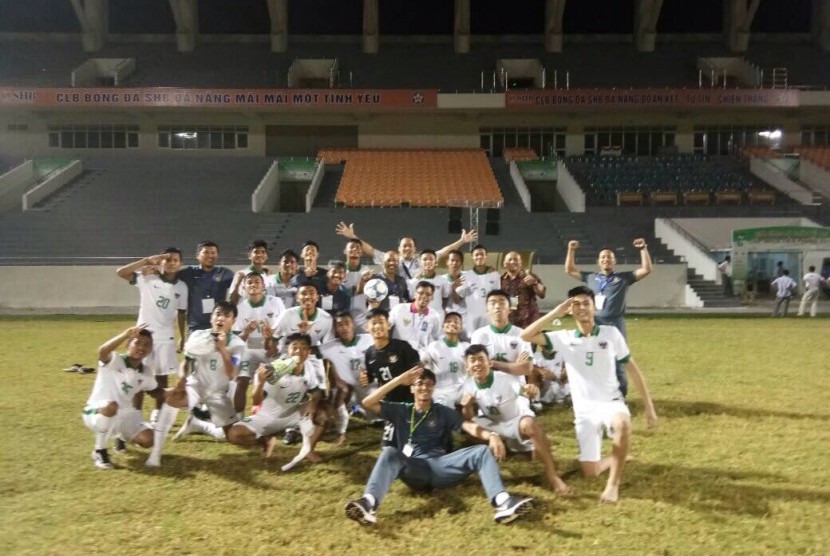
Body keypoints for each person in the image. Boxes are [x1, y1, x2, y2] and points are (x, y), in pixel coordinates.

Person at [344, 367, 534, 526]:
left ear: (433, 388)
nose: (424, 388)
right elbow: (368, 402)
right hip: (415, 469)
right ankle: (368, 503)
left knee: (481, 452)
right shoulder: (401, 410)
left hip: (442, 466)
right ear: (412, 388)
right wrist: (398, 380)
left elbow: (468, 426)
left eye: (428, 384)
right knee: (389, 452)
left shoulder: (442, 411)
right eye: (419, 384)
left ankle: (503, 503)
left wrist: (491, 435)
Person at [520, 286, 657, 503]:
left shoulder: (610, 334)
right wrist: (555, 313)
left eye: (586, 303)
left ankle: (613, 485)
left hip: (610, 402)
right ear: (570, 309)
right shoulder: (563, 338)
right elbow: (525, 334)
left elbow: (632, 368)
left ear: (594, 307)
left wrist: (649, 407)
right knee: (590, 471)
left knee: (622, 423)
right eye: (576, 304)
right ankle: (616, 457)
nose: (582, 307)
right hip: (584, 411)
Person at [460, 344, 570, 494]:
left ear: (489, 362)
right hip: (494, 424)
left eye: (481, 359)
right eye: (473, 360)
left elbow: (525, 391)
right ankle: (502, 449)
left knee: (529, 424)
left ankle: (553, 475)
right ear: (467, 366)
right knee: (467, 427)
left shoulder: (505, 379)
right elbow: (469, 418)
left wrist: (531, 390)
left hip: (514, 421)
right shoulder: (468, 385)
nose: (477, 363)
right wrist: (466, 407)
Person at [148, 302, 246, 465]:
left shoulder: (237, 344)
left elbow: (231, 374)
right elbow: (185, 363)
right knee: (174, 399)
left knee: (229, 436)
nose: (221, 318)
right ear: (211, 317)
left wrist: (222, 349)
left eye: (227, 315)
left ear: (233, 321)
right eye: (218, 314)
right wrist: (180, 378)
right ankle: (155, 453)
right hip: (196, 386)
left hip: (217, 393)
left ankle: (198, 424)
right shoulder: (197, 336)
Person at [564, 238, 652, 396]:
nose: (606, 259)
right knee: (592, 358)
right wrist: (571, 250)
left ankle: (621, 396)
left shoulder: (623, 278)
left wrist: (643, 249)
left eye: (609, 257)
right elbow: (569, 270)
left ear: (614, 261)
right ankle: (593, 394)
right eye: (603, 257)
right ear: (598, 261)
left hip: (615, 324)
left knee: (618, 359)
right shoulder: (591, 277)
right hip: (593, 324)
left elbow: (646, 269)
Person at [226, 333, 327, 464]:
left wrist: (312, 403)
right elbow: (256, 401)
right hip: (267, 416)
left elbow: (317, 393)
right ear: (287, 350)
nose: (298, 351)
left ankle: (308, 450)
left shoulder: (308, 367)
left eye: (303, 348)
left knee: (324, 411)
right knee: (233, 435)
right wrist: (260, 382)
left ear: (308, 351)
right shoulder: (275, 369)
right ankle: (265, 441)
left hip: (292, 414)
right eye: (294, 347)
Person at [115, 248, 187, 421]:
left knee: (161, 378)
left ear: (180, 264)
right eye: (167, 259)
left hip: (165, 337)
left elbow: (182, 313)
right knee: (138, 376)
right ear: (160, 262)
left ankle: (158, 412)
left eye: (175, 260)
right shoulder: (147, 277)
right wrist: (146, 260)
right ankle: (135, 414)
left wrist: (183, 336)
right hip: (143, 335)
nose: (171, 263)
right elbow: (121, 272)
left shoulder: (182, 287)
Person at [82, 325, 164, 469]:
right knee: (110, 406)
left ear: (150, 349)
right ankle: (99, 451)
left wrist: (180, 391)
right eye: (137, 342)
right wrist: (124, 334)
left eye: (146, 344)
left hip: (125, 415)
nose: (141, 347)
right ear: (128, 345)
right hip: (97, 411)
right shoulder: (114, 360)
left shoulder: (145, 372)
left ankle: (120, 436)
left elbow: (157, 392)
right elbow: (102, 351)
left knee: (149, 440)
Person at [361, 308, 422, 445]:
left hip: (409, 402)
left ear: (388, 325)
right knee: (389, 446)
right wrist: (366, 377)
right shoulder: (369, 354)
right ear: (367, 328)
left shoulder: (402, 347)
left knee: (413, 445)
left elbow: (419, 366)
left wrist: (415, 379)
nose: (377, 326)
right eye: (373, 323)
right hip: (390, 404)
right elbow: (372, 375)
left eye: (381, 322)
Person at [335, 222, 478, 279]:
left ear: (415, 249)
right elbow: (370, 250)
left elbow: (444, 252)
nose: (407, 248)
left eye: (410, 245)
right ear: (399, 249)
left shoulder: (423, 259)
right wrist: (352, 236)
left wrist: (461, 241)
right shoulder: (390, 259)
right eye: (404, 246)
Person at [231, 272, 286, 413]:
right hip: (249, 350)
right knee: (241, 382)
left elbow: (284, 328)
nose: (253, 285)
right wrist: (247, 331)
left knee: (278, 384)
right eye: (249, 282)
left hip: (273, 349)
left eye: (257, 282)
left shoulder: (276, 302)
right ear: (244, 287)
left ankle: (276, 415)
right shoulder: (240, 308)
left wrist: (272, 335)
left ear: (263, 286)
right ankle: (238, 419)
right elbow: (237, 340)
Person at [319, 311, 376, 441]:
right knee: (335, 399)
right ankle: (341, 433)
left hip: (368, 387)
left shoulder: (369, 340)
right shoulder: (329, 347)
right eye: (340, 325)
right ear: (335, 328)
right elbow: (309, 352)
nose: (344, 327)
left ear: (353, 324)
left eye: (347, 323)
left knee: (379, 417)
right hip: (346, 390)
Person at [470, 290, 535, 378]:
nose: (497, 306)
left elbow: (527, 368)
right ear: (487, 310)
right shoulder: (478, 335)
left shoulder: (522, 334)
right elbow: (477, 367)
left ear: (510, 309)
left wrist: (492, 363)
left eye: (502, 303)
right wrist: (514, 366)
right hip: (488, 388)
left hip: (515, 388)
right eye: (493, 303)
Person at [177, 240, 235, 335]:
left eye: (213, 253)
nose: (210, 256)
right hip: (195, 328)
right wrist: (155, 273)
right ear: (197, 255)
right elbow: (169, 277)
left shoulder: (225, 273)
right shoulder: (188, 273)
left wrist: (262, 270)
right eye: (206, 252)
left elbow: (244, 283)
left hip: (218, 326)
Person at [419, 312, 469, 408]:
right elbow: (421, 363)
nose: (452, 324)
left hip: (462, 388)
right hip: (441, 391)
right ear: (443, 327)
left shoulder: (466, 347)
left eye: (456, 322)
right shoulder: (434, 346)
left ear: (461, 327)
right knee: (445, 415)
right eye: (448, 321)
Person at [271, 284, 334, 351]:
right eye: (303, 293)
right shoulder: (286, 314)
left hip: (313, 355)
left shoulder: (327, 318)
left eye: (312, 293)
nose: (307, 297)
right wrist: (269, 341)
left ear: (317, 297)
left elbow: (328, 346)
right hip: (289, 354)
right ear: (297, 298)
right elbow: (274, 337)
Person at [388, 281, 442, 351]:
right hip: (399, 353)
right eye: (421, 293)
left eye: (428, 294)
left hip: (419, 355)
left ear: (432, 297)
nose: (424, 296)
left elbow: (436, 338)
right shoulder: (399, 308)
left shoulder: (434, 316)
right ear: (415, 294)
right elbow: (387, 325)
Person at [462, 244, 501, 337]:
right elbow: (462, 295)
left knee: (489, 341)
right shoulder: (466, 275)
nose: (479, 256)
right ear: (472, 257)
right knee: (472, 341)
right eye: (476, 254)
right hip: (472, 316)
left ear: (486, 256)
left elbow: (497, 296)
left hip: (488, 315)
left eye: (482, 254)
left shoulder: (495, 274)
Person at [229, 239, 272, 305]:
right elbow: (232, 301)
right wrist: (237, 284)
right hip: (246, 314)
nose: (260, 255)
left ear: (266, 256)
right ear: (249, 255)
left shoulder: (268, 275)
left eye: (263, 252)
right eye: (256, 252)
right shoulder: (241, 274)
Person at [408, 249, 447, 317]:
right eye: (425, 259)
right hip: (419, 317)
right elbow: (411, 297)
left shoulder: (443, 280)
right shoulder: (413, 282)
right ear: (420, 262)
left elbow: (446, 297)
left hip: (438, 317)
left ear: (436, 262)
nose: (428, 261)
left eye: (431, 259)